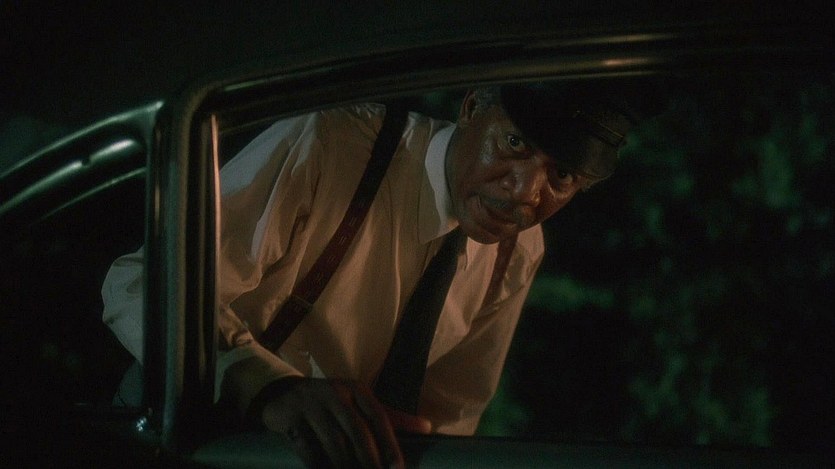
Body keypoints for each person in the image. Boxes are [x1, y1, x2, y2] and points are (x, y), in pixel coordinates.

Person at [103, 83, 646, 468]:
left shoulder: (520, 250)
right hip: (183, 442)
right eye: (514, 144)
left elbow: (451, 420)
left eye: (562, 175)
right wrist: (267, 386)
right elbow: (139, 285)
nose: (524, 193)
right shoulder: (333, 144)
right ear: (471, 108)